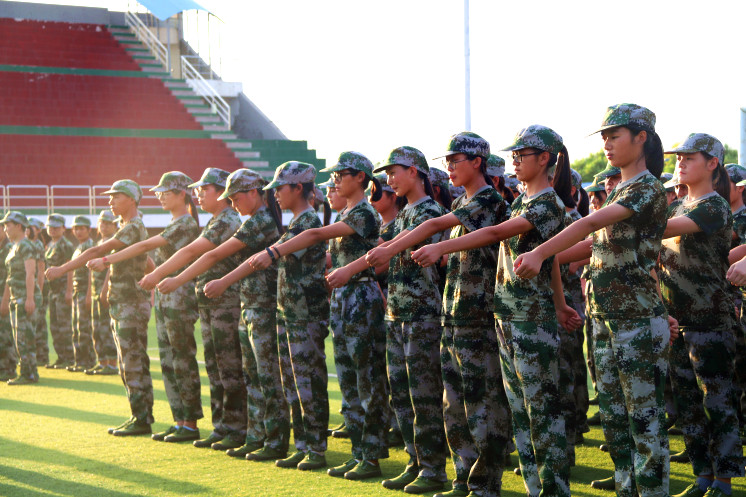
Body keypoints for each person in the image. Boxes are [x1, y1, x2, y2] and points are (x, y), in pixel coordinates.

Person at [513, 104, 674, 497]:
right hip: (605, 317)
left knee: (645, 424)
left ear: (642, 138)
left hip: (636, 319)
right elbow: (592, 242)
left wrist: (539, 253)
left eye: (614, 134)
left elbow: (588, 223)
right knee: (617, 424)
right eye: (604, 135)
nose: (606, 142)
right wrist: (550, 256)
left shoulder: (647, 187)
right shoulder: (620, 187)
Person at [412, 126, 580, 497]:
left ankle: (553, 491)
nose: (516, 160)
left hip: (530, 320)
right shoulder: (523, 200)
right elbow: (549, 260)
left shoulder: (547, 203)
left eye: (524, 154)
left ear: (546, 159)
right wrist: (562, 302)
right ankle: (535, 488)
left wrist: (442, 249)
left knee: (541, 414)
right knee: (521, 415)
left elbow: (494, 234)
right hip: (507, 315)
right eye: (514, 155)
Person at [364, 132, 512, 497]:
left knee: (481, 404)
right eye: (447, 161)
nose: (449, 167)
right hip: (454, 312)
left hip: (477, 313)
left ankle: (483, 483)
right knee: (454, 406)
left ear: (477, 162)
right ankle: (462, 477)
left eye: (455, 160)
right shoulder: (463, 201)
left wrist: (436, 248)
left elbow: (431, 229)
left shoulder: (488, 199)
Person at [247, 153, 389, 479]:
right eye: (335, 174)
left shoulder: (365, 211)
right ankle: (358, 452)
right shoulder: (348, 211)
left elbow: (314, 236)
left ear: (361, 177)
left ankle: (371, 454)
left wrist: (273, 251)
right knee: (350, 382)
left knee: (366, 380)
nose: (336, 179)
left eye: (342, 173)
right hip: (342, 300)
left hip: (360, 298)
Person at [328, 146, 449, 493]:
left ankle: (432, 469)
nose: (390, 179)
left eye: (395, 171)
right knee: (403, 396)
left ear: (415, 172)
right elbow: (379, 253)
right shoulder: (405, 214)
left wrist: (350, 269)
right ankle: (414, 462)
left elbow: (387, 251)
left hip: (422, 314)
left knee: (423, 397)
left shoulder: (428, 211)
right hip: (397, 313)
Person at [155, 168, 288, 459]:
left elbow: (212, 255)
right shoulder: (251, 219)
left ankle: (263, 436)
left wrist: (177, 279)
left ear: (254, 193)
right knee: (240, 373)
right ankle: (245, 432)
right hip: (246, 303)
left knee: (254, 375)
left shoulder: (258, 221)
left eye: (236, 197)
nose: (234, 203)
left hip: (253, 305)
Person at [207, 161, 331, 471]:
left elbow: (266, 257)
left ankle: (312, 447)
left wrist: (224, 281)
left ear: (298, 188)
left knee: (308, 384)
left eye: (280, 188)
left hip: (305, 315)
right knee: (293, 384)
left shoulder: (308, 223)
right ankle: (302, 445)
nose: (275, 194)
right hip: (289, 315)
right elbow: (261, 260)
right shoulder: (295, 225)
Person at [88, 172, 203, 443]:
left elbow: (148, 246)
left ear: (181, 194)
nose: (160, 195)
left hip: (179, 297)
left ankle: (189, 423)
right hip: (166, 297)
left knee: (181, 360)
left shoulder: (185, 223)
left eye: (166, 191)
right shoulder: (175, 221)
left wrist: (107, 259)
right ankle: (180, 421)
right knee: (169, 362)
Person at [659, 134, 743, 497]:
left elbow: (659, 232)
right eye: (678, 157)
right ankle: (702, 477)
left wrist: (626, 219)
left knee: (717, 402)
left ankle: (723, 481)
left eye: (689, 157)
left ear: (712, 163)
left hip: (711, 318)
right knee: (689, 405)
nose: (680, 162)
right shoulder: (677, 204)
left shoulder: (713, 206)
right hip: (677, 321)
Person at [138, 168, 247, 450]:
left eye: (204, 189)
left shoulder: (228, 220)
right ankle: (223, 426)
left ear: (222, 191)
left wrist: (165, 276)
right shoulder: (215, 220)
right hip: (211, 302)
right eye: (197, 189)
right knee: (215, 365)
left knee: (228, 366)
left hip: (226, 302)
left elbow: (195, 253)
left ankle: (236, 428)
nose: (198, 193)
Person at [46, 180, 154, 436]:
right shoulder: (128, 227)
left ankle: (141, 418)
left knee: (132, 362)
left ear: (130, 199)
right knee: (127, 361)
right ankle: (139, 415)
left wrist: (63, 269)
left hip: (130, 303)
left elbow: (98, 249)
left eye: (115, 197)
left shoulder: (133, 226)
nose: (110, 201)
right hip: (125, 302)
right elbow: (147, 260)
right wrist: (155, 280)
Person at [0, 211, 41, 385]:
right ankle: (30, 372)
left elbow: (30, 272)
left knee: (25, 337)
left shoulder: (25, 246)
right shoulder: (13, 246)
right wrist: (5, 299)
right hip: (16, 297)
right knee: (20, 338)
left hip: (25, 297)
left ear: (18, 226)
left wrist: (30, 298)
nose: (5, 228)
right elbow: (11, 277)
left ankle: (28, 373)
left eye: (8, 225)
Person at [85, 210, 118, 375]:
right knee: (96, 328)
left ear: (115, 225)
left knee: (106, 327)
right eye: (101, 223)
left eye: (108, 223)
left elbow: (111, 269)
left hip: (107, 290)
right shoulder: (99, 243)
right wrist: (90, 293)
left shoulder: (114, 243)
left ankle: (112, 362)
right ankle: (102, 360)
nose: (104, 226)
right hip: (95, 291)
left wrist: (105, 290)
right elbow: (91, 270)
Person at [44, 213, 74, 369]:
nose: (53, 229)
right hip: (53, 291)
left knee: (64, 326)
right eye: (50, 226)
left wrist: (69, 291)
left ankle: (69, 357)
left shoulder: (65, 245)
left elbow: (70, 269)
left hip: (62, 291)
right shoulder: (50, 245)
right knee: (55, 326)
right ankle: (61, 357)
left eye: (56, 227)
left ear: (63, 228)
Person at [68, 215, 95, 372]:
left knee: (84, 327)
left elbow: (91, 272)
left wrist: (89, 293)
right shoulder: (78, 247)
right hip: (77, 291)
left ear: (88, 230)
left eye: (81, 228)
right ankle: (79, 361)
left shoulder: (89, 246)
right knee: (77, 327)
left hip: (85, 290)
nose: (78, 231)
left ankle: (87, 360)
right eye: (76, 228)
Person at [27, 218, 49, 367]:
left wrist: (39, 293)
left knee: (39, 323)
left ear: (39, 230)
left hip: (37, 290)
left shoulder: (38, 245)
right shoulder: (27, 245)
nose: (28, 230)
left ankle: (42, 356)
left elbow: (41, 271)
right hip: (29, 289)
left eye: (32, 228)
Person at [0, 222, 17, 380]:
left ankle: (9, 368)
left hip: (4, 295)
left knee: (5, 334)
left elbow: (9, 278)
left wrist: (5, 300)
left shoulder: (9, 249)